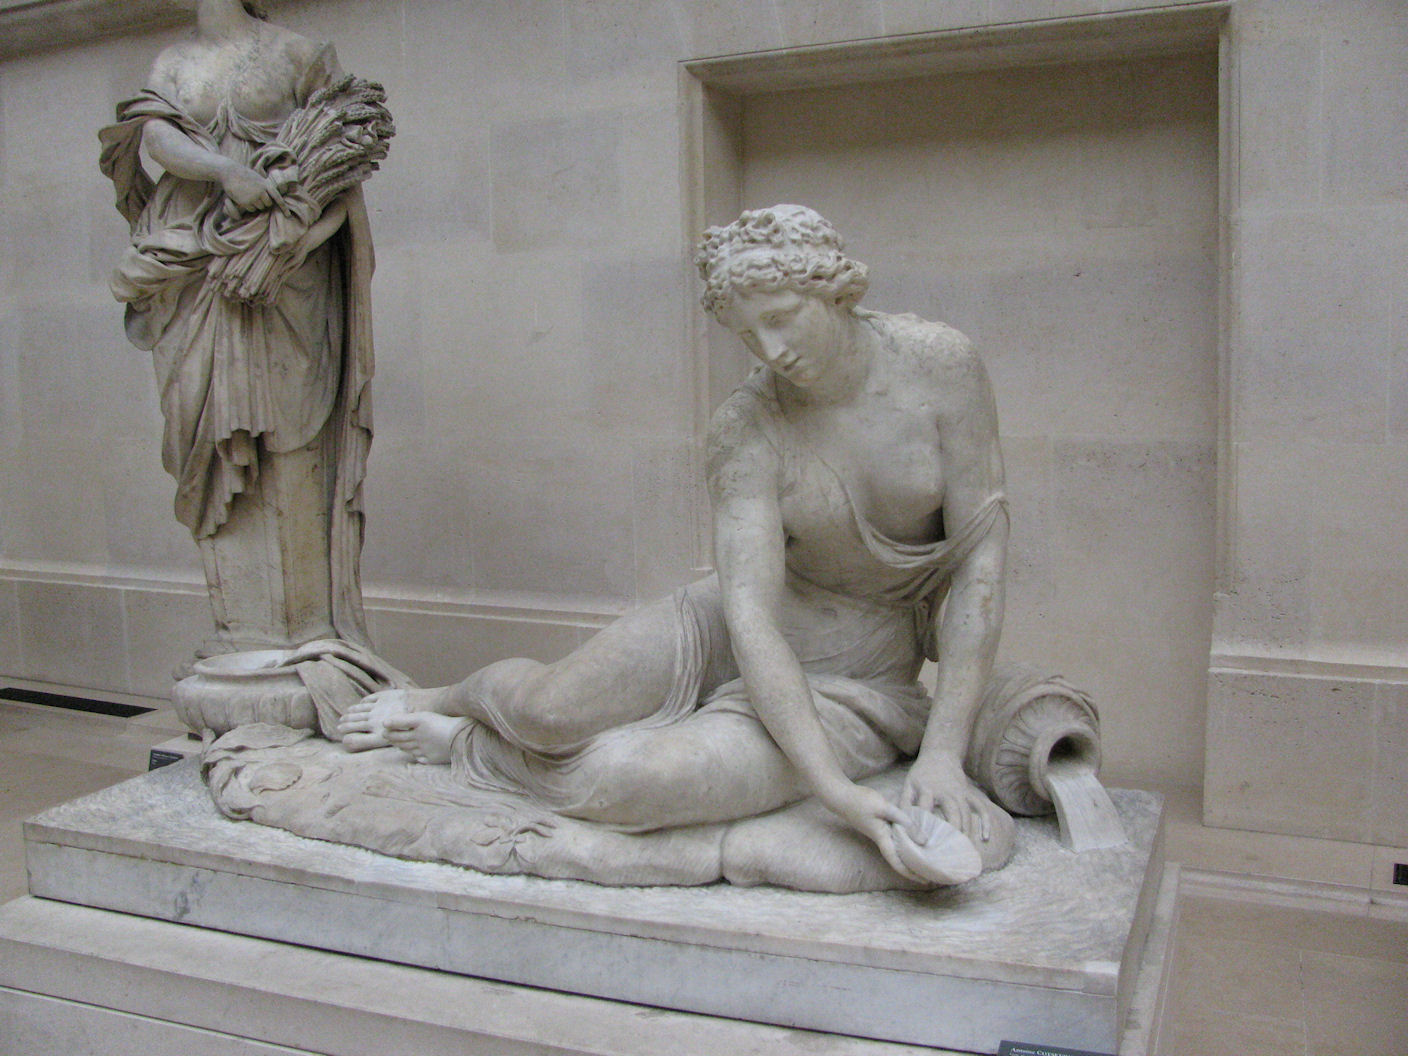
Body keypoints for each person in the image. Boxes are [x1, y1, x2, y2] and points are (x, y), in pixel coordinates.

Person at [340, 205, 1013, 884]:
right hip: (726, 624)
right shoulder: (746, 429)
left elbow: (980, 564)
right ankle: (451, 699)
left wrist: (942, 753)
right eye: (747, 334)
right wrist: (835, 793)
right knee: (548, 710)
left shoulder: (939, 368)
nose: (770, 350)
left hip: (856, 680)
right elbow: (751, 617)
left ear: (832, 290)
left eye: (781, 318)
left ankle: (474, 749)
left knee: (632, 781)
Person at [99, 0, 377, 653]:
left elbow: (345, 172)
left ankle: (306, 631)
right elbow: (155, 139)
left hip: (283, 279)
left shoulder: (297, 52)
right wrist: (226, 171)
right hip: (193, 266)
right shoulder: (171, 62)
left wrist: (293, 242)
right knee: (202, 437)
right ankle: (243, 634)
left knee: (289, 436)